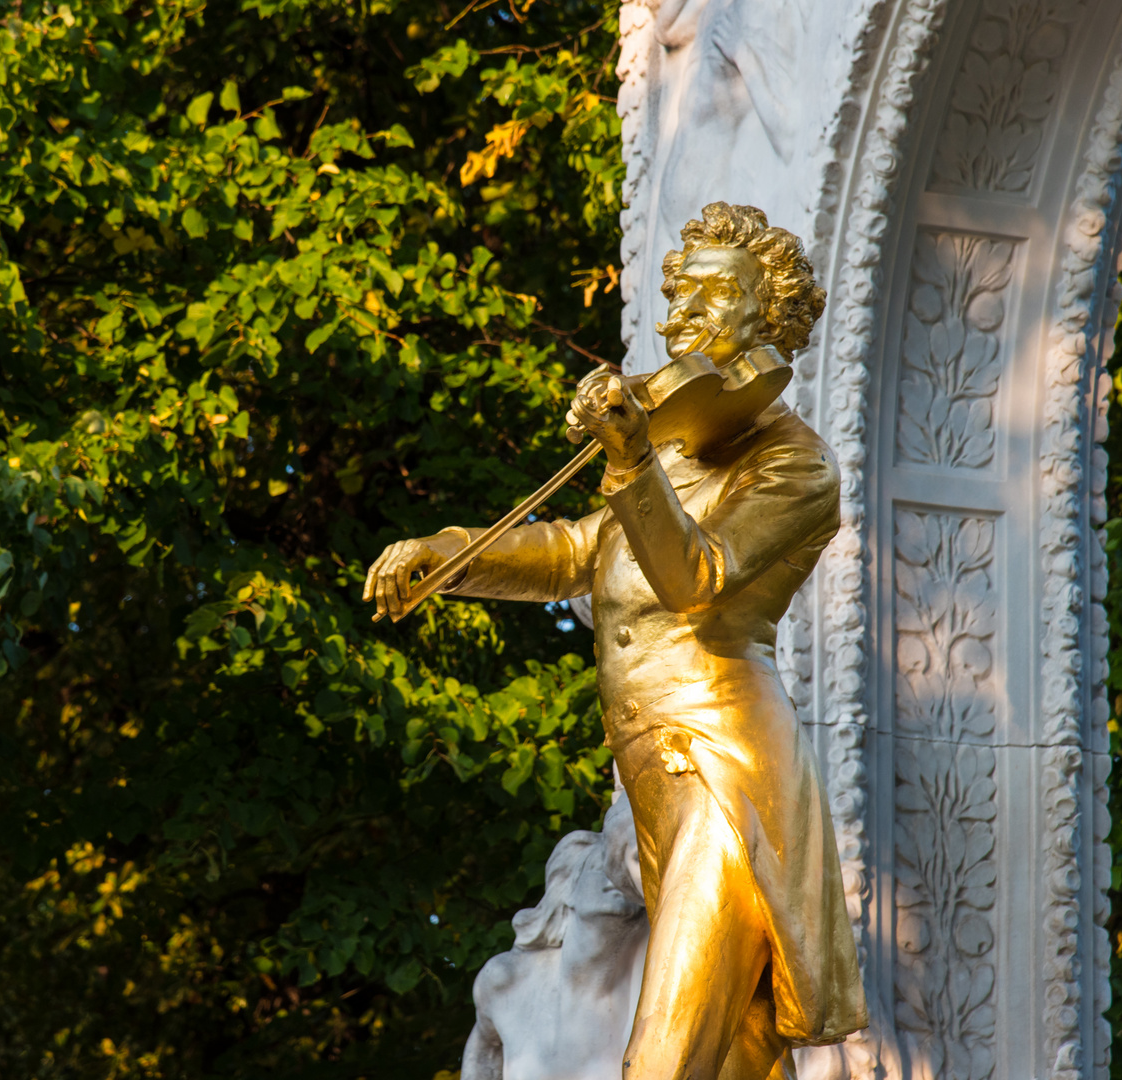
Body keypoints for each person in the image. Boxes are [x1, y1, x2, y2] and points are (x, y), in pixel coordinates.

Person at [365, 203, 867, 1080]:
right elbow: (571, 550)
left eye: (709, 295)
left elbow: (696, 579)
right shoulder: (670, 455)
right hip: (650, 792)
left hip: (724, 776)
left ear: (768, 314)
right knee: (737, 1063)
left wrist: (632, 462)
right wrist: (447, 557)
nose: (679, 318)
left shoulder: (793, 466)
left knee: (665, 1061)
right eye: (676, 298)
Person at [460, 796, 649, 1080]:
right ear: (567, 888)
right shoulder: (507, 982)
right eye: (601, 869)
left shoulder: (653, 986)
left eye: (625, 872)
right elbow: (481, 1062)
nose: (615, 881)